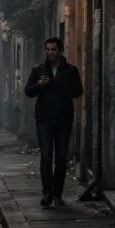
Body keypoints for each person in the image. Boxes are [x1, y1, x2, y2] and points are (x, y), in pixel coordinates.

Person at [25, 37, 84, 208]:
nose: (50, 52)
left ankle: (58, 193)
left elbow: (78, 91)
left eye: (53, 49)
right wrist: (39, 85)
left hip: (63, 119)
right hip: (44, 119)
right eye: (48, 49)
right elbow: (28, 91)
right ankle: (47, 193)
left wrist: (60, 85)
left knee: (61, 157)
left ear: (60, 51)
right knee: (45, 155)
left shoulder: (71, 70)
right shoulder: (38, 70)